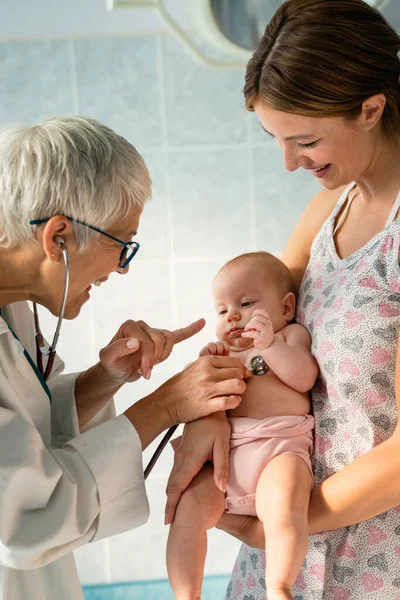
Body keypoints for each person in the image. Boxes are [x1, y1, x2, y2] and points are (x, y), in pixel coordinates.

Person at [165, 0, 400, 598]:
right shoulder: (332, 206)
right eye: (277, 140)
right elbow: (251, 321)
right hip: (284, 553)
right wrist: (208, 413)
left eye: (306, 141)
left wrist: (283, 524)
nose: (290, 163)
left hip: (371, 563)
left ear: (372, 109)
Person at [0, 115, 251, 600]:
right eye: (122, 246)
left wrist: (104, 378)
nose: (121, 269)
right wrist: (166, 405)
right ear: (59, 238)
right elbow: (26, 516)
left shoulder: (13, 308)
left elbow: (24, 433)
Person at [166, 251, 318, 600]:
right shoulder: (226, 353)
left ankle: (279, 585)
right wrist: (208, 367)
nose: (232, 315)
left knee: (284, 507)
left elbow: (304, 378)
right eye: (222, 310)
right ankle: (186, 594)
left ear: (285, 308)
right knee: (187, 511)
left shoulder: (290, 337)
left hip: (279, 451)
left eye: (246, 302)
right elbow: (200, 399)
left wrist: (269, 346)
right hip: (223, 460)